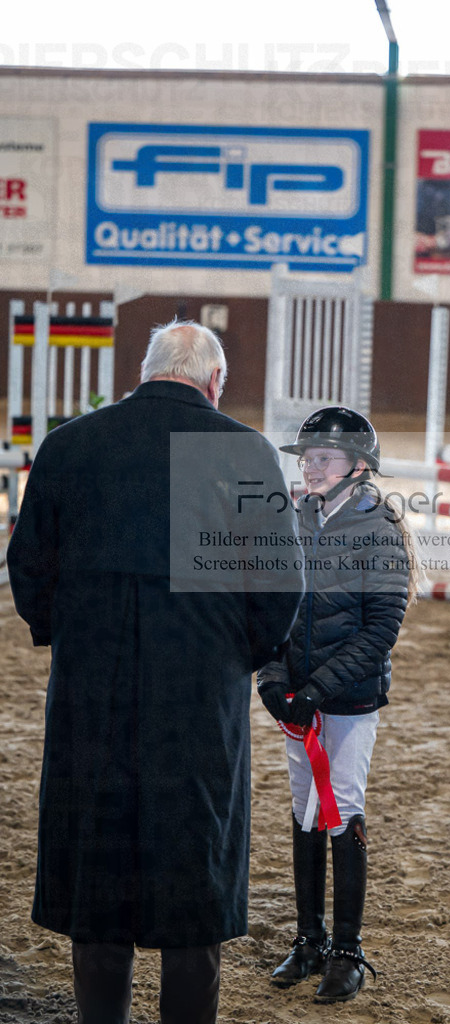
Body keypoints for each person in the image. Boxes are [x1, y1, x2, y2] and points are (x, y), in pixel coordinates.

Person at [7, 319, 304, 1024]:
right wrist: (239, 656)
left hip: (91, 689)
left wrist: (68, 633)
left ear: (142, 371)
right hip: (199, 697)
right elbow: (279, 589)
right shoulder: (245, 452)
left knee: (97, 866)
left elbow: (27, 571)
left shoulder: (68, 445)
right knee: (191, 869)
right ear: (215, 381)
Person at [256, 406, 420, 1004]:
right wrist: (271, 677)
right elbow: (270, 605)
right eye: (306, 458)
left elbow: (381, 630)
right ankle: (309, 938)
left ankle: (348, 951)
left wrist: (316, 692)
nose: (311, 467)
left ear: (357, 465)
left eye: (323, 458)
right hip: (295, 698)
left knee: (341, 805)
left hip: (345, 699)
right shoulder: (293, 519)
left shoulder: (379, 529)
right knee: (304, 809)